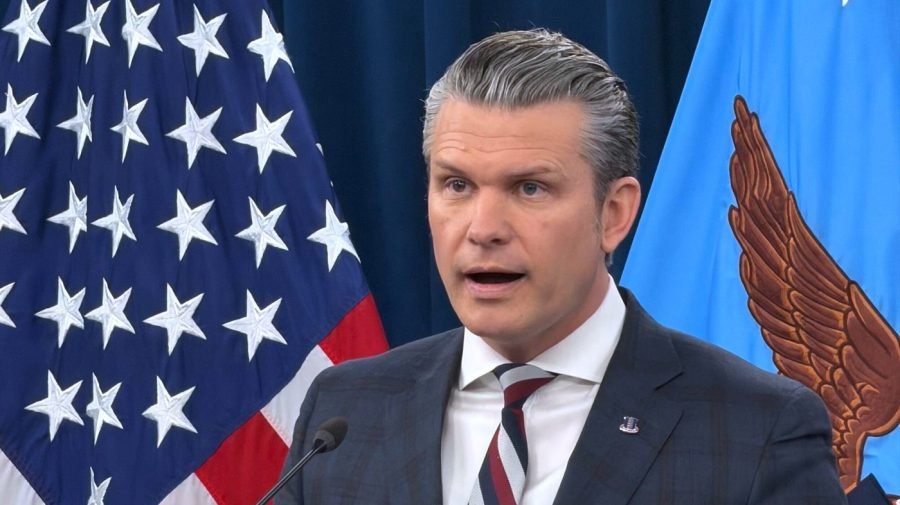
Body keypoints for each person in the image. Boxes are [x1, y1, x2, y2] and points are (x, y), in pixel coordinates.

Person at [275, 29, 847, 504]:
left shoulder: (758, 431)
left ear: (614, 213)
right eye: (457, 185)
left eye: (530, 188)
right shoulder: (345, 412)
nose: (483, 228)